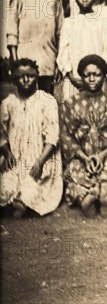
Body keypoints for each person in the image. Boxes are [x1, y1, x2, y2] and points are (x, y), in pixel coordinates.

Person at [61, 54, 107, 217]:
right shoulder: (70, 103)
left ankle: (105, 196)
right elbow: (66, 137)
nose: (92, 79)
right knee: (74, 170)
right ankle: (86, 198)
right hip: (81, 157)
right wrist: (84, 158)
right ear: (81, 77)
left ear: (104, 76)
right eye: (87, 75)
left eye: (96, 75)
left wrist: (102, 156)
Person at [0, 58, 62, 216]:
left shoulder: (47, 101)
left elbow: (52, 136)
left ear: (37, 76)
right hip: (15, 157)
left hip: (41, 157)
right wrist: (6, 153)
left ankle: (23, 203)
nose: (26, 80)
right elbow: (2, 132)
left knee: (30, 190)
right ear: (14, 79)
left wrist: (40, 162)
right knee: (5, 189)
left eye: (30, 76)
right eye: (21, 77)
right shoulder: (8, 102)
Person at [6, 0, 64, 94]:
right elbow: (12, 29)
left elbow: (61, 32)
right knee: (25, 102)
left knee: (47, 100)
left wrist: (59, 62)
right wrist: (15, 62)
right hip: (25, 61)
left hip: (48, 60)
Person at [57, 0, 107, 100]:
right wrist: (73, 78)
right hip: (75, 80)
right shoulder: (69, 23)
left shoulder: (103, 22)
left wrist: (98, 75)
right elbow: (63, 52)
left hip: (98, 78)